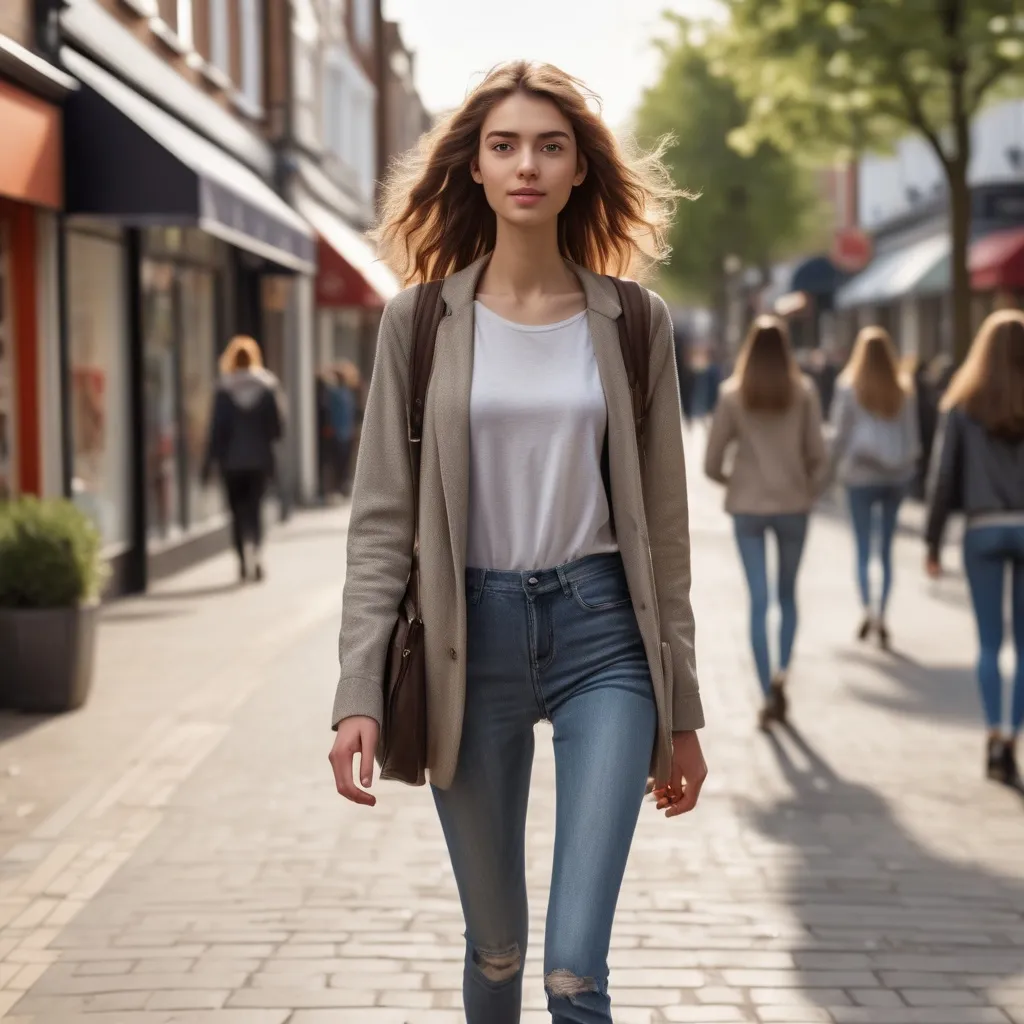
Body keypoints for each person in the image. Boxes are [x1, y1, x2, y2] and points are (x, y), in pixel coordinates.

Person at [327, 61, 708, 1024]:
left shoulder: (634, 323)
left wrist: (685, 711)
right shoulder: (420, 323)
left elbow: (665, 534)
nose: (526, 164)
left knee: (573, 971)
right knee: (496, 953)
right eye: (504, 146)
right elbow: (381, 523)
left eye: (550, 145)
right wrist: (357, 693)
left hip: (604, 641)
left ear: (581, 169)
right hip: (469, 642)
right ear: (476, 170)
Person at [704, 316, 827, 728]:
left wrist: (735, 482)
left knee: (758, 601)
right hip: (793, 505)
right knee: (787, 595)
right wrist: (807, 489)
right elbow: (818, 457)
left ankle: (763, 690)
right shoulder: (805, 393)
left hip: (748, 508)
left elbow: (710, 463)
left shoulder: (732, 395)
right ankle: (782, 674)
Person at [925, 309, 1024, 785]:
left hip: (982, 528)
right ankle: (1012, 740)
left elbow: (944, 478)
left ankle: (991, 731)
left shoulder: (963, 404)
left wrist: (932, 539)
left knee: (988, 643)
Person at [828, 326, 920, 648]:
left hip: (860, 476)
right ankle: (883, 612)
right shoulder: (903, 388)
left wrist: (827, 471)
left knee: (864, 547)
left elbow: (839, 435)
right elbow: (913, 438)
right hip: (895, 477)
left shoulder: (848, 386)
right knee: (886, 551)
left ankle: (867, 607)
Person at [202, 335, 283, 582]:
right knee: (256, 510)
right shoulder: (268, 387)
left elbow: (216, 431)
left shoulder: (224, 390)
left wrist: (209, 462)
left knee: (236, 513)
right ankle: (257, 552)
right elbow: (277, 429)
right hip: (259, 461)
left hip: (232, 463)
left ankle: (241, 559)